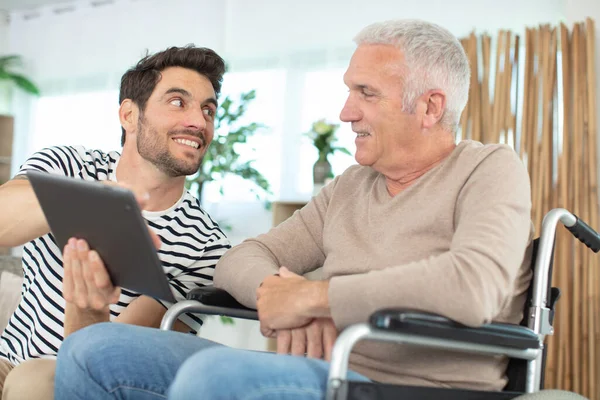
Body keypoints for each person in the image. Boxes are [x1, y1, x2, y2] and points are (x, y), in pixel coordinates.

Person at [54, 19, 534, 399]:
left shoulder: (490, 169)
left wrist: (317, 299)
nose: (346, 112)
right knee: (92, 348)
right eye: (349, 91)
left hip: (410, 389)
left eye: (365, 93)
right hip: (318, 373)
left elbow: (473, 286)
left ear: (430, 108)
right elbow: (239, 258)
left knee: (216, 377)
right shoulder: (351, 187)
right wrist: (283, 294)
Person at [0, 45, 231, 399]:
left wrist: (89, 306)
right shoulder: (65, 165)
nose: (199, 122)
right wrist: (85, 204)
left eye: (208, 110)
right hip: (6, 361)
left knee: (35, 381)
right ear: (129, 115)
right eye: (177, 102)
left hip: (73, 379)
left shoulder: (207, 247)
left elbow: (110, 364)